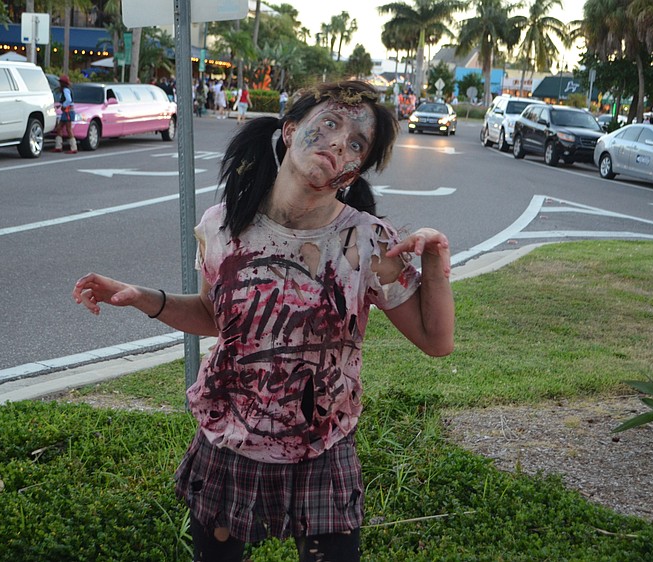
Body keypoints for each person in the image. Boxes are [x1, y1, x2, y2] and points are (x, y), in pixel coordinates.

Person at [72, 80, 455, 562]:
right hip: (229, 440)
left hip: (323, 447)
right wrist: (142, 298)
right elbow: (216, 318)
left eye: (357, 143)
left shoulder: (366, 243)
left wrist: (437, 260)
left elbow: (437, 341)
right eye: (330, 124)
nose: (340, 142)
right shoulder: (222, 225)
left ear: (355, 170)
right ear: (290, 131)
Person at [54, 75, 77, 154]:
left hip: (68, 112)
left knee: (68, 129)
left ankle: (73, 147)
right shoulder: (67, 89)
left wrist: (63, 105)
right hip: (67, 112)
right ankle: (58, 146)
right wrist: (60, 105)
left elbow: (68, 100)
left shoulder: (66, 90)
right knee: (59, 128)